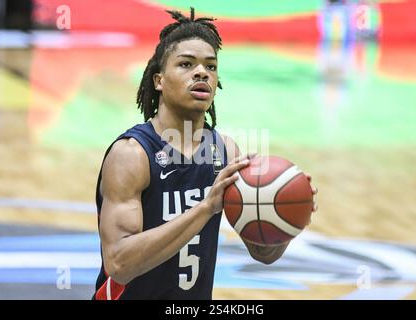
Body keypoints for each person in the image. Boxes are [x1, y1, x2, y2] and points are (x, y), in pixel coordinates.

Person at [93, 8, 317, 300]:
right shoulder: (132, 154)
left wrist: (288, 218)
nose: (201, 72)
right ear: (158, 80)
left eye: (210, 67)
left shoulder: (225, 152)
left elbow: (263, 254)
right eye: (186, 64)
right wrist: (204, 208)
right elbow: (119, 264)